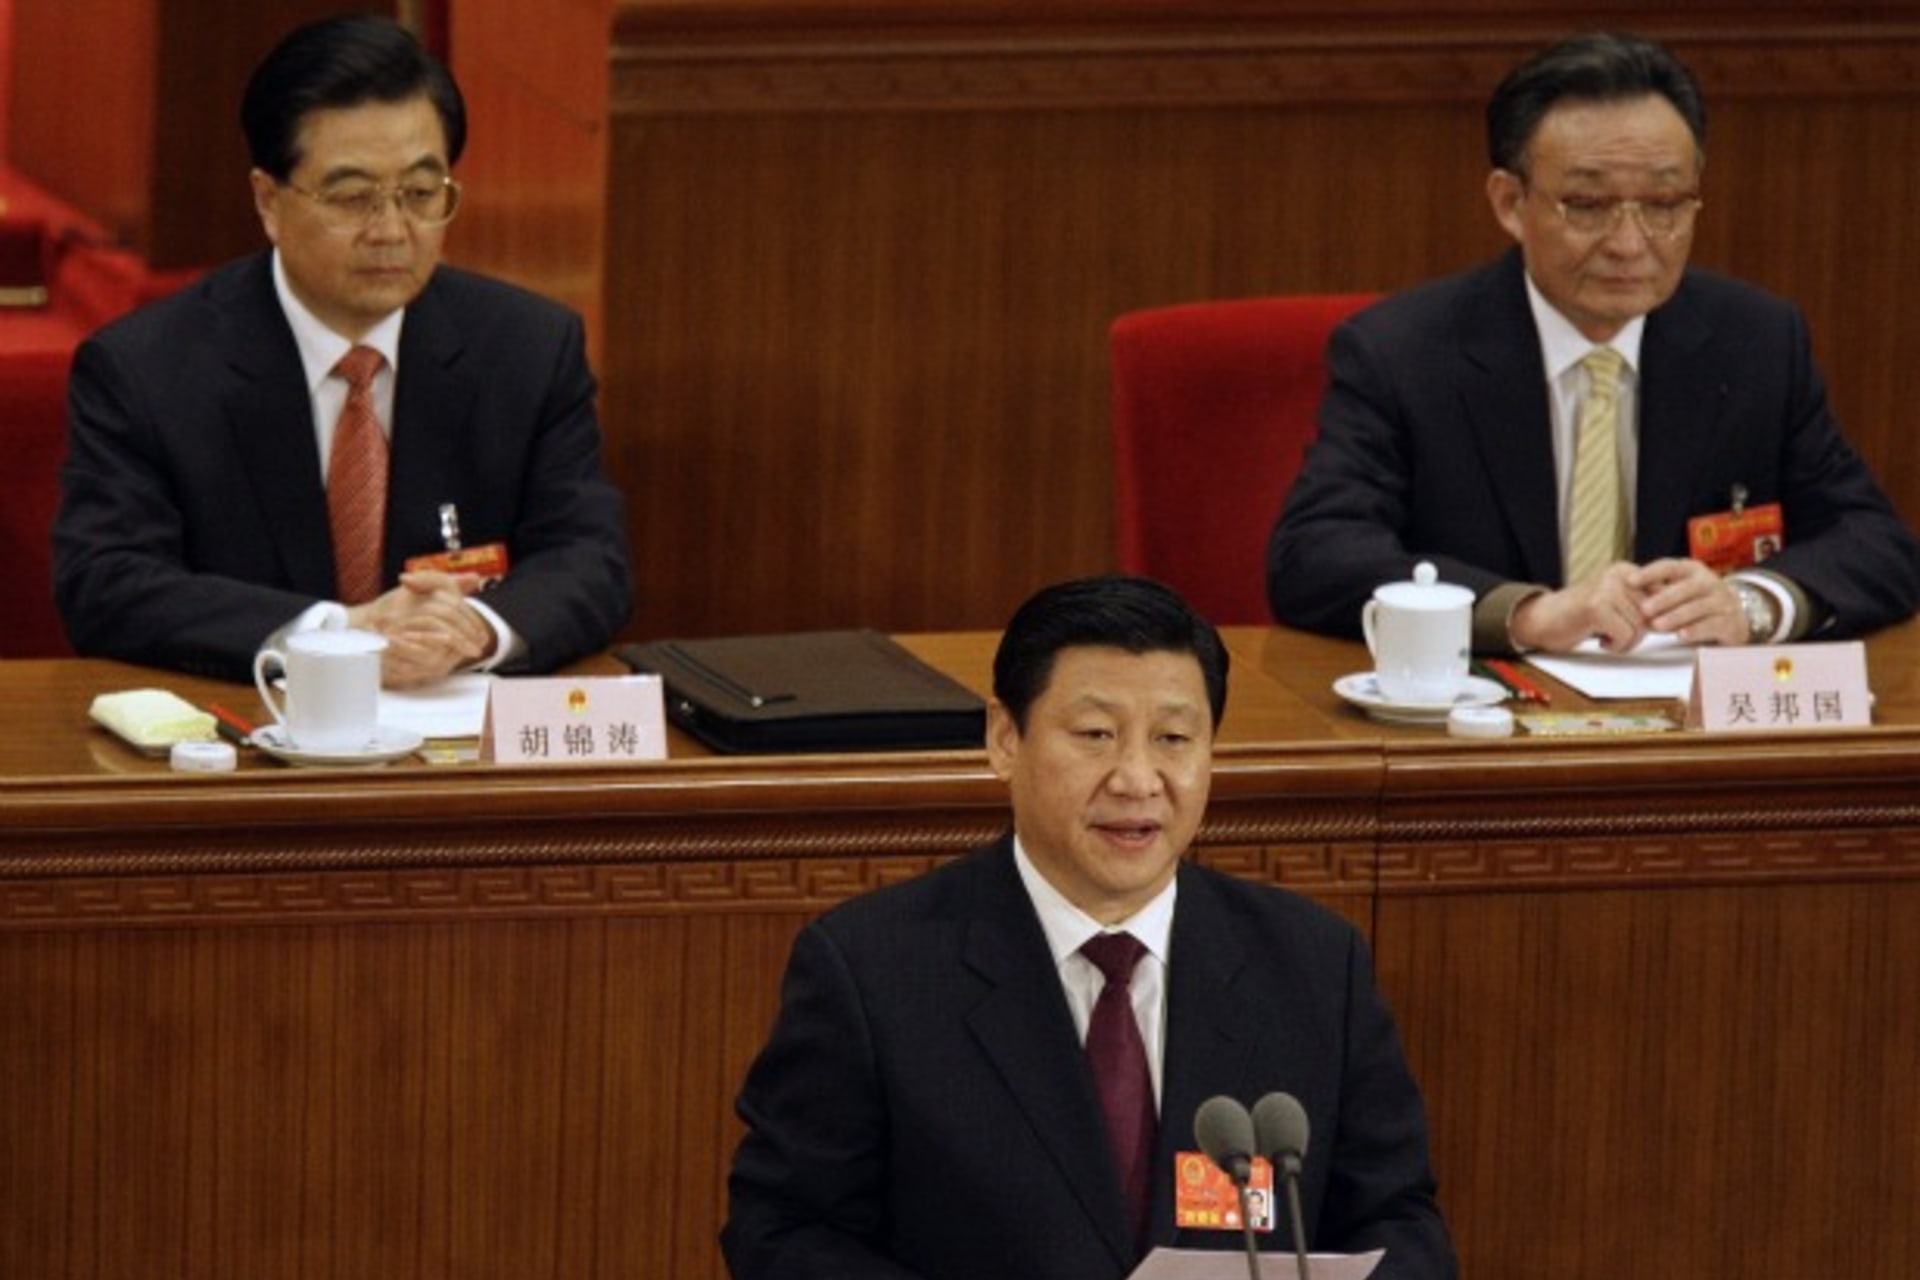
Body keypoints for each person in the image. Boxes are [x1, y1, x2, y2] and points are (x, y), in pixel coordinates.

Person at [722, 576, 1455, 1280]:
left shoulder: (1314, 966)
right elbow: (781, 1231)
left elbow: (1398, 1221)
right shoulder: (873, 971)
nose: (1137, 779)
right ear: (1005, 738)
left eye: (1174, 739)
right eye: (1096, 734)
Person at [1268, 31, 1920, 656]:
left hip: (1687, 715)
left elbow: (1876, 543)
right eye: (1587, 205)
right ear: (1510, 202)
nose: (1630, 244)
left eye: (1664, 204)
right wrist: (1526, 614)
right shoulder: (1403, 352)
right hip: (1485, 713)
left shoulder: (1756, 342)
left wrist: (1751, 603)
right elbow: (1315, 557)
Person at [53, 15, 632, 687]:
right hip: (248, 727)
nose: (391, 230)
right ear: (268, 201)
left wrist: (472, 631)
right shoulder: (146, 369)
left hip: (454, 728)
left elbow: (591, 559)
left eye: (420, 194)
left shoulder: (529, 348)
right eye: (353, 198)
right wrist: (341, 635)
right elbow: (108, 584)